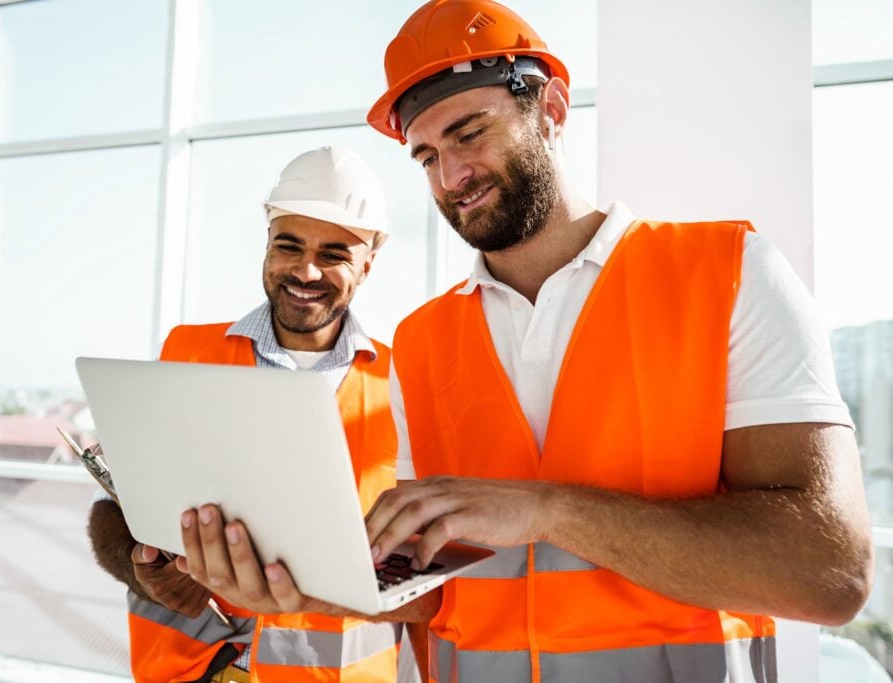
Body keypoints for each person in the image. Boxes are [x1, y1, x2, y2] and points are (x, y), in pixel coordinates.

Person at [355, 1, 875, 681]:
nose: (451, 178)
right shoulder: (421, 341)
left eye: (468, 134)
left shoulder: (729, 273)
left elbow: (829, 572)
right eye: (427, 157)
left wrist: (549, 509)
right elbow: (437, 596)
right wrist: (314, 582)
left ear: (552, 108)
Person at [87, 146, 420, 682]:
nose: (305, 269)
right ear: (267, 243)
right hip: (192, 670)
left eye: (334, 253)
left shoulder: (403, 386)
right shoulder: (187, 353)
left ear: (368, 263)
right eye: (289, 245)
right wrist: (139, 569)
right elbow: (111, 511)